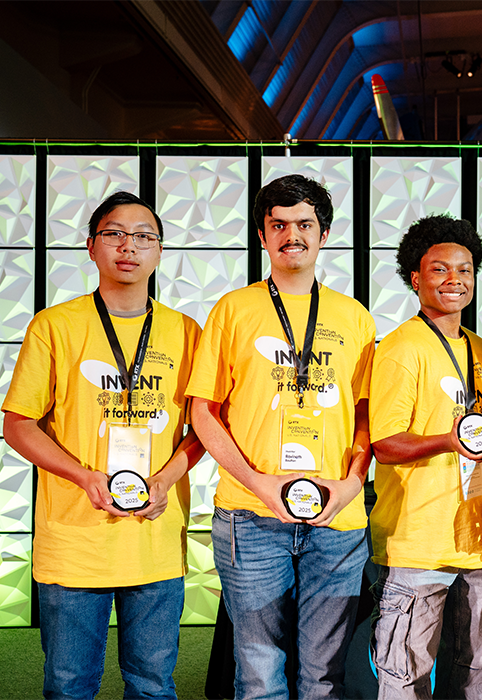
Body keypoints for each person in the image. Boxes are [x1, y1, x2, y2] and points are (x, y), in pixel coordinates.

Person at [2, 190, 205, 699]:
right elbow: (18, 424)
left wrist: (167, 479)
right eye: (114, 234)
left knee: (153, 686)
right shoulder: (55, 325)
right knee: (69, 686)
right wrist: (82, 476)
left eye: (143, 236)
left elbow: (205, 428)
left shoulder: (187, 332)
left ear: (160, 251)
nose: (128, 246)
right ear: (91, 247)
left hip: (155, 539)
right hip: (74, 541)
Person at [186, 174, 376, 700]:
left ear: (325, 233)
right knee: (258, 672)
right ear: (263, 236)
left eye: (304, 224)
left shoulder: (354, 316)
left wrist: (352, 485)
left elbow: (366, 416)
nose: (292, 234)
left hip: (336, 519)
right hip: (250, 517)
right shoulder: (232, 309)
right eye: (279, 224)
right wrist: (258, 482)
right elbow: (203, 412)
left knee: (324, 676)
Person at [368, 214, 482, 700]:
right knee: (406, 677)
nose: (454, 280)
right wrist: (448, 441)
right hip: (417, 544)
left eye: (464, 270)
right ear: (416, 279)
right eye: (440, 270)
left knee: (478, 672)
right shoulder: (402, 348)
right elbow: (384, 444)